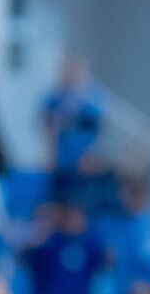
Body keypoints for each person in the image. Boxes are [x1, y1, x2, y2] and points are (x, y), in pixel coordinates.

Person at [42, 55, 105, 202]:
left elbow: (96, 130)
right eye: (67, 69)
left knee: (80, 202)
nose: (70, 74)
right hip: (61, 162)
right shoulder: (54, 99)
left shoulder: (93, 99)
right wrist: (49, 156)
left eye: (74, 70)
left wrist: (91, 156)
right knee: (58, 200)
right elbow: (47, 129)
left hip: (84, 163)